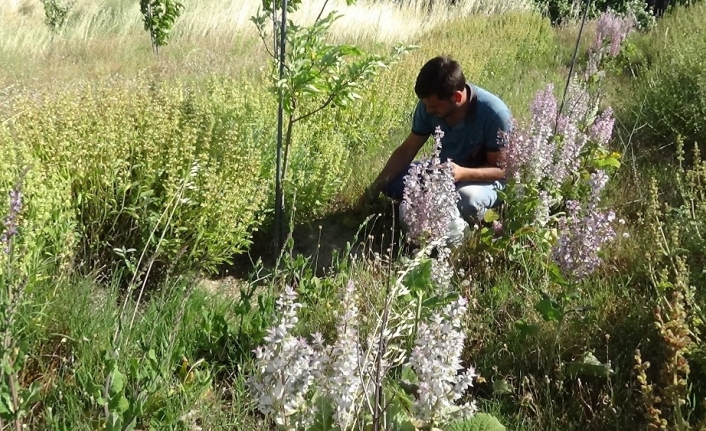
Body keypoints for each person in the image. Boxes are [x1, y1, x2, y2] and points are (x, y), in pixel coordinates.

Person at [358, 55, 513, 239]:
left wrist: (462, 173)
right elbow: (407, 149)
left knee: (466, 199)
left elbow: (503, 170)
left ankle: (473, 228)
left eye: (433, 106)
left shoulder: (494, 114)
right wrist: (374, 189)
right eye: (426, 105)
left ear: (456, 96)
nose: (428, 110)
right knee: (391, 181)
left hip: (481, 181)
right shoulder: (429, 105)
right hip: (443, 175)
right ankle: (433, 210)